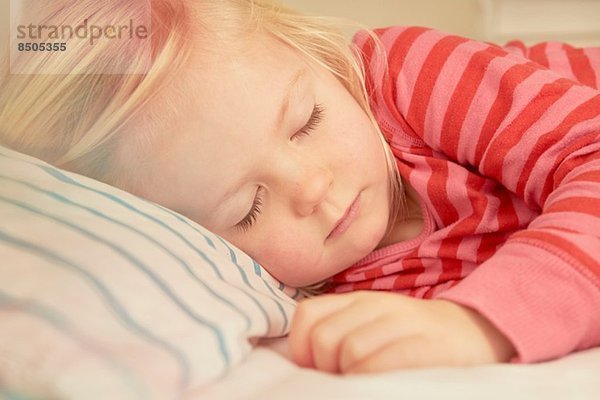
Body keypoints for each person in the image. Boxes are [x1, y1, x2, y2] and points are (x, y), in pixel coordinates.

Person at [1, 0, 600, 374]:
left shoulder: (404, 74)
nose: (311, 186)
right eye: (248, 208)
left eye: (307, 122)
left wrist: (480, 323)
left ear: (320, 61)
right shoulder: (295, 292)